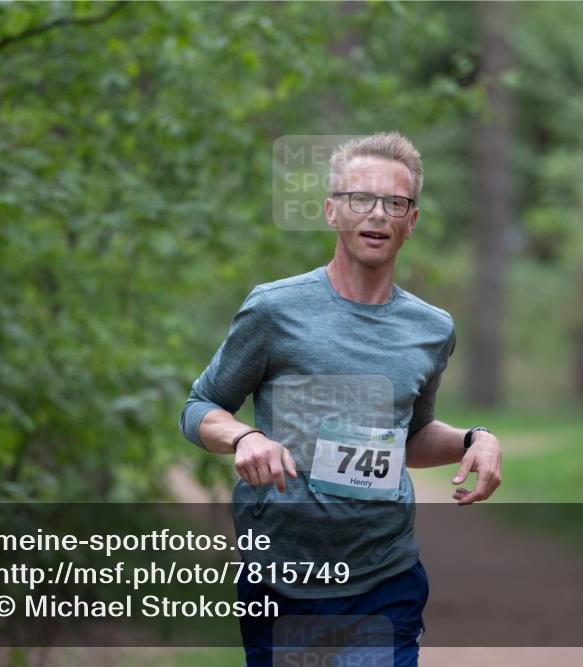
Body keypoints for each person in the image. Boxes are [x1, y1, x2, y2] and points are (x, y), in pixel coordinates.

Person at [179, 132, 503, 667]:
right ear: (332, 211)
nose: (377, 214)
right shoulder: (274, 312)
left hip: (385, 575)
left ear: (411, 221)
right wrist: (246, 436)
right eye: (360, 199)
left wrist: (475, 438)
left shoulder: (431, 328)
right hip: (283, 578)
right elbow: (199, 408)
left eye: (394, 203)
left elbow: (411, 436)